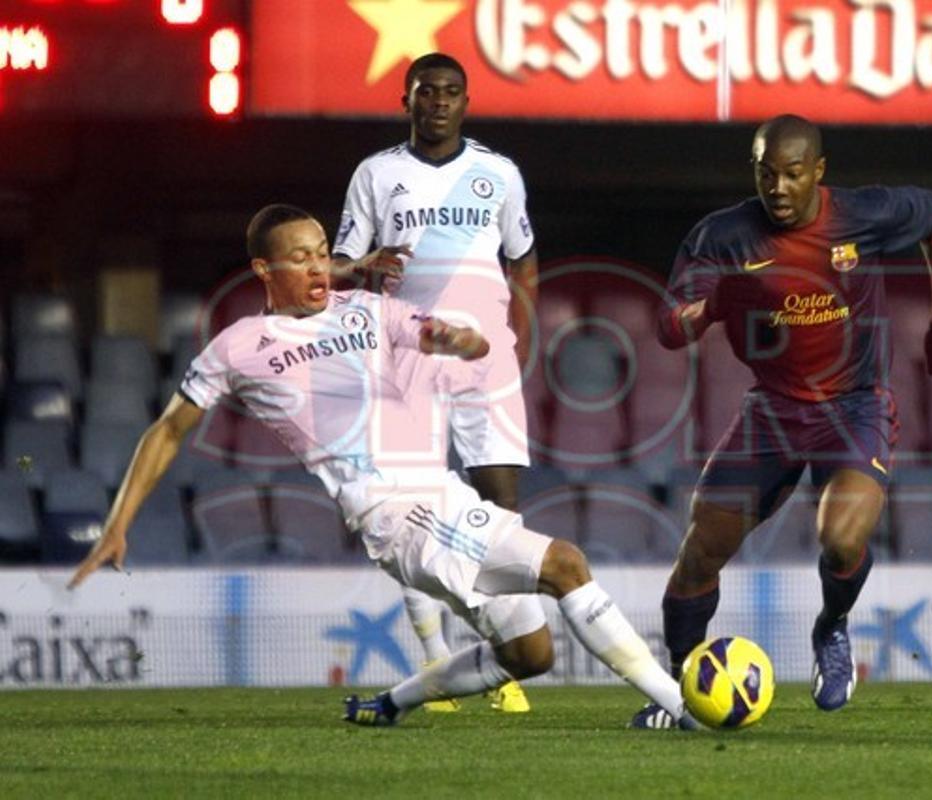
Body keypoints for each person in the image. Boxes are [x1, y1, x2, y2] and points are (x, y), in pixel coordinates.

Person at [68, 205, 698, 731]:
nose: (317, 265)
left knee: (530, 654)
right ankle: (681, 708)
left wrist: (460, 340)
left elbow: (438, 334)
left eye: (322, 252)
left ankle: (389, 705)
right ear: (263, 268)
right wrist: (119, 523)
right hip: (397, 514)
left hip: (442, 493)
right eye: (299, 256)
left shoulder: (367, 312)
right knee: (565, 564)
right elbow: (169, 429)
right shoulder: (240, 347)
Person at [631, 115, 932, 728]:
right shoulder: (724, 236)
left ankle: (832, 627)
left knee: (841, 538)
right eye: (767, 175)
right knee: (700, 551)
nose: (779, 188)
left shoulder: (861, 215)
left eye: (792, 174)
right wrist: (711, 308)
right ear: (754, 172)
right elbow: (666, 326)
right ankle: (675, 690)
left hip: (856, 403)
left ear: (818, 170)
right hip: (774, 411)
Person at [332, 52, 537, 713]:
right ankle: (434, 661)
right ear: (407, 100)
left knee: (501, 509)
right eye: (427, 91)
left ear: (466, 102)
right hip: (406, 360)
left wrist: (518, 345)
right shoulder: (377, 174)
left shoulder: (499, 174)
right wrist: (364, 263)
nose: (439, 102)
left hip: (485, 364)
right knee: (412, 511)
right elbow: (334, 267)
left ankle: (505, 667)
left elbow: (524, 263)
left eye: (451, 92)